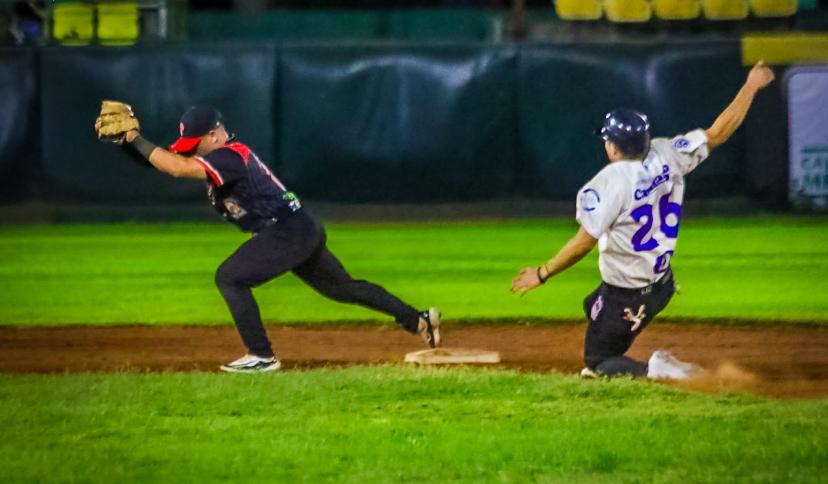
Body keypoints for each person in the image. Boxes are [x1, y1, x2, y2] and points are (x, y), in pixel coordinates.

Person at [110, 105, 441, 372]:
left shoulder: (228, 154)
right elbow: (165, 161)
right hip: (298, 227)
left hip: (286, 229)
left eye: (195, 144)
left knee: (230, 278)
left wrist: (136, 137)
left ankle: (261, 356)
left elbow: (177, 168)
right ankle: (418, 319)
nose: (191, 150)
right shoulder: (216, 154)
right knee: (343, 288)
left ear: (213, 135)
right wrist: (128, 141)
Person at [510, 61, 775, 379]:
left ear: (612, 146)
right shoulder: (666, 153)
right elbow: (719, 132)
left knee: (599, 361)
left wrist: (542, 273)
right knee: (592, 303)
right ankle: (617, 334)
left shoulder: (609, 182)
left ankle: (660, 370)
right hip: (662, 284)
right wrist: (751, 85)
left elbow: (584, 242)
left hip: (628, 294)